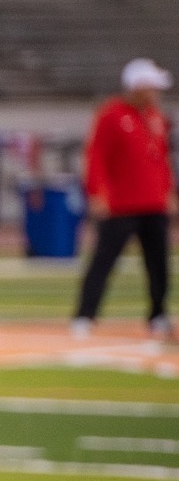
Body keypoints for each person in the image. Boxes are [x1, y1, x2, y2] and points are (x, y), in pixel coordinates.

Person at [74, 58, 174, 338]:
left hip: (153, 203)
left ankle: (158, 315)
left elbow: (161, 160)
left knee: (159, 264)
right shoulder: (112, 115)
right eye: (151, 87)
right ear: (137, 86)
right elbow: (96, 156)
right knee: (104, 261)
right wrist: (96, 193)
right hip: (121, 205)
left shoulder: (155, 117)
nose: (156, 93)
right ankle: (85, 315)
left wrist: (168, 192)